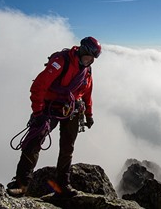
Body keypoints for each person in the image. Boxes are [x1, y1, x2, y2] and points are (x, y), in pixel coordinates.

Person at [7, 37, 102, 197]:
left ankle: (62, 186)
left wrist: (89, 114)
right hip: (50, 108)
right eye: (90, 56)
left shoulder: (87, 70)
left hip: (72, 110)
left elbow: (87, 93)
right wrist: (38, 113)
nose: (91, 60)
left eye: (94, 58)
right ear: (83, 50)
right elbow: (39, 86)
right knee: (34, 142)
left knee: (67, 148)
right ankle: (21, 184)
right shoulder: (61, 61)